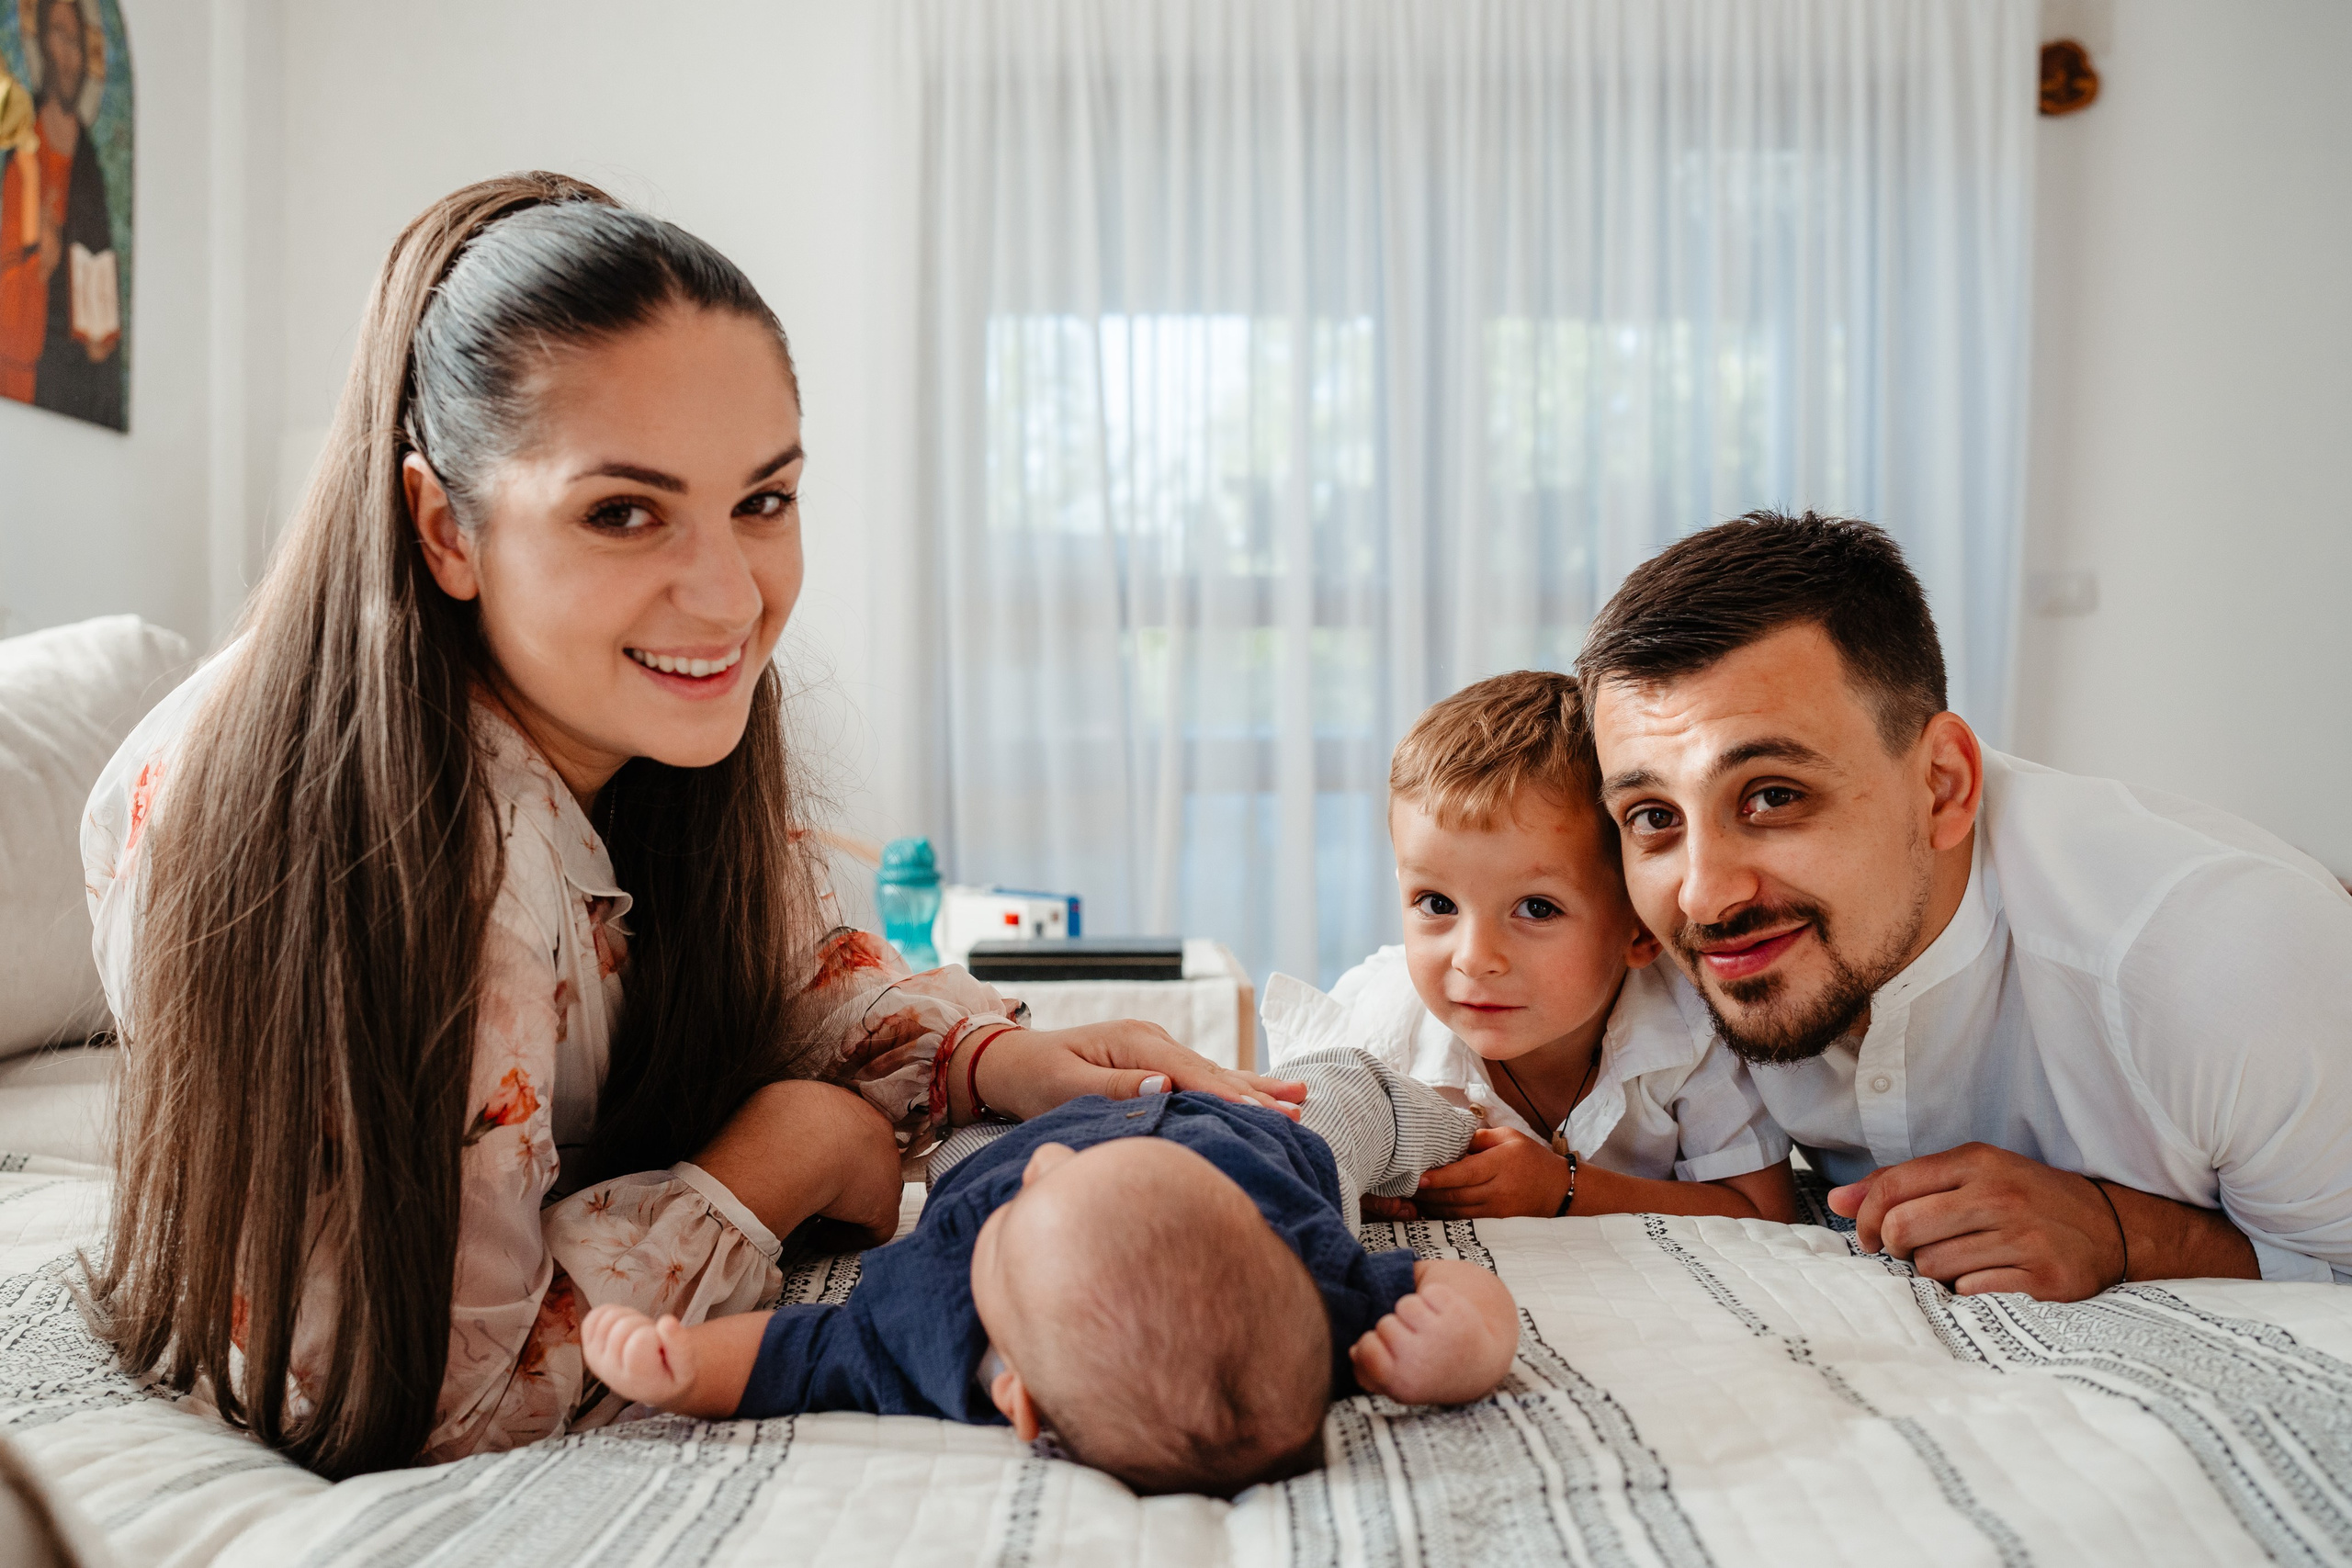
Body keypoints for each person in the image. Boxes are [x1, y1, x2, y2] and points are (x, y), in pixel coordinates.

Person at [80, 174, 1297, 1481]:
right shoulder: (421, 851)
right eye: (622, 511)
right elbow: (438, 1394)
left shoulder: (605, 717)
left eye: (763, 500)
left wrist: (994, 1058)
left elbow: (782, 963)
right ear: (445, 527)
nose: (730, 597)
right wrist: (777, 1155)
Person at [1581, 511, 2352, 1300]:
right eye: (1652, 816)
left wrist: (2127, 1233)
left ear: (1942, 785)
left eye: (1774, 795)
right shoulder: (1648, 943)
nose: (1705, 896)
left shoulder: (2224, 962)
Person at [579, 1047, 1521, 1497]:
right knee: (1343, 1093)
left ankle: (1438, 1111)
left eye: (1020, 1220)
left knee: (955, 1146)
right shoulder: (1317, 1306)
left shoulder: (925, 1332)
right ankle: (1438, 1106)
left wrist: (686, 1368)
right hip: (1257, 1138)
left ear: (1017, 1402)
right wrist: (1466, 1341)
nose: (1045, 1176)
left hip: (1002, 1145)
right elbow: (1451, 1299)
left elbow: (793, 1355)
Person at [1268, 671, 1799, 1224]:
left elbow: (1763, 1211)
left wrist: (1564, 1191)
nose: (1473, 958)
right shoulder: (1379, 1034)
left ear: (1640, 930)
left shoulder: (1694, 1028)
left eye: (1537, 909)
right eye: (1437, 904)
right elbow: (1299, 1162)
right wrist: (1364, 1188)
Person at [0, 0, 122, 423]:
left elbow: (100, 265)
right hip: (30, 357)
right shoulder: (23, 146)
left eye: (78, 41)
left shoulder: (87, 160)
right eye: (59, 34)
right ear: (39, 41)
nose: (70, 55)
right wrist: (37, 261)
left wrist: (103, 337)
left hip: (80, 369)